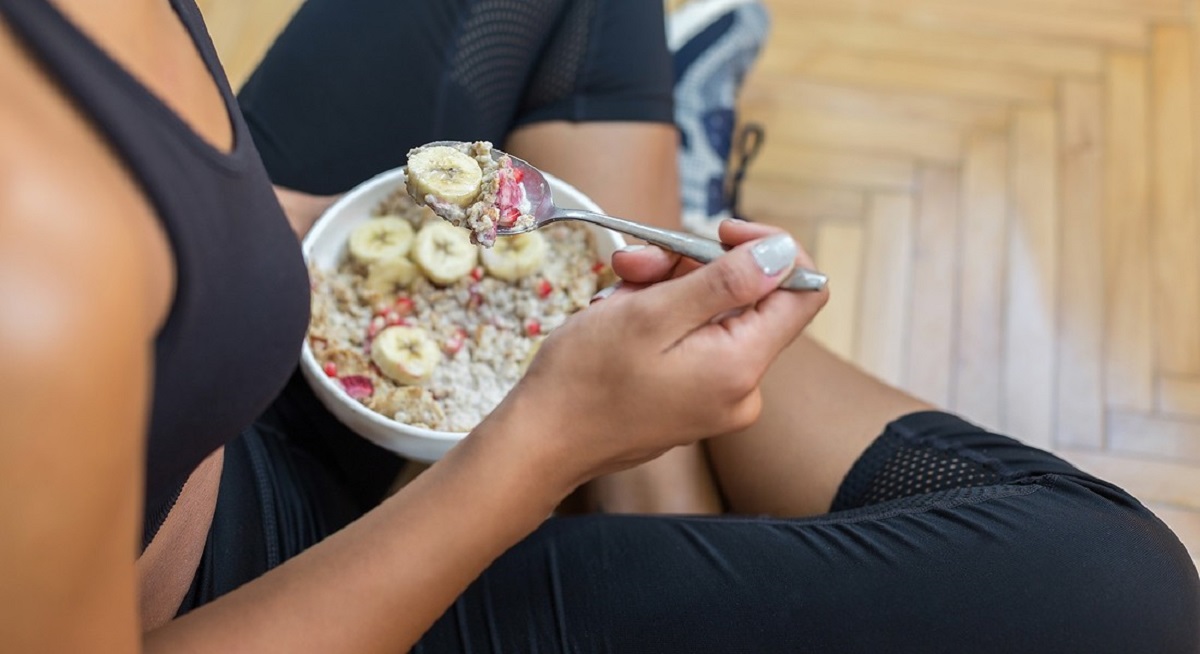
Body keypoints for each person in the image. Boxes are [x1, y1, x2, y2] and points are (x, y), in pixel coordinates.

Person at [0, 2, 1196, 654]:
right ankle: (662, 343)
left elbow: (167, 204)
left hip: (221, 363)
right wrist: (546, 447)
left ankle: (656, 417)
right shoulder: (32, 299)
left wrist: (340, 236)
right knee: (1118, 593)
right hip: (255, 588)